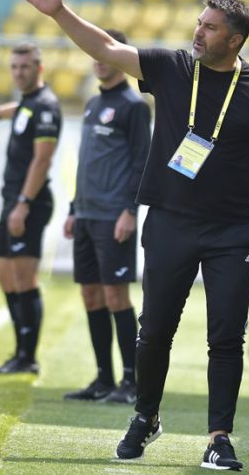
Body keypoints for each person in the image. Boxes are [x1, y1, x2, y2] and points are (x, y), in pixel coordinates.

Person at [18, 0, 249, 471]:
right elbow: (105, 47)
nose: (198, 32)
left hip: (233, 231)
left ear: (235, 39)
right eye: (199, 23)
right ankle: (146, 417)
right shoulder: (171, 67)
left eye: (210, 28)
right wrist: (58, 12)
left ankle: (219, 438)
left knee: (226, 337)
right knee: (155, 330)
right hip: (170, 222)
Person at [62, 29, 152, 404]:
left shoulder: (134, 106)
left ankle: (131, 382)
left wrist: (130, 211)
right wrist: (73, 208)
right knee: (90, 294)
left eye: (105, 53)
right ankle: (103, 379)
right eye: (94, 54)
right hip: (86, 214)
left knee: (116, 295)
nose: (98, 60)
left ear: (119, 57)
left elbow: (141, 163)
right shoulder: (92, 103)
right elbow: (87, 163)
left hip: (114, 217)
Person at [0, 42, 62, 374]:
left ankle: (27, 357)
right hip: (12, 200)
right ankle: (20, 351)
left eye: (26, 66)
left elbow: (42, 160)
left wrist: (23, 204)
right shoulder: (28, 103)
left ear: (39, 68)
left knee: (24, 277)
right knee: (6, 277)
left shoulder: (47, 106)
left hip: (29, 203)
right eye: (15, 67)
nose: (19, 72)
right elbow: (18, 110)